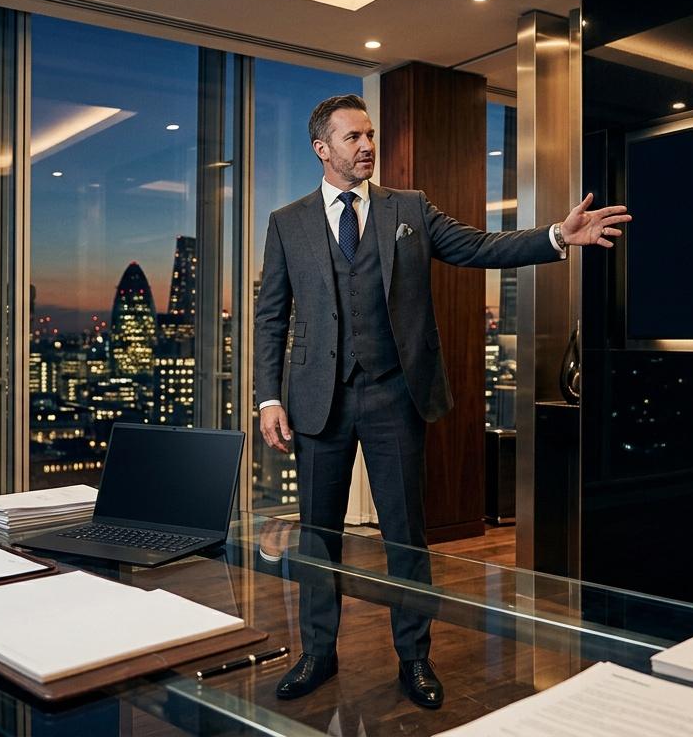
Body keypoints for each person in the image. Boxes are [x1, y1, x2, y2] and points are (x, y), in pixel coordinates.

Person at [253, 94, 627, 709]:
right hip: (318, 401)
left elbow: (479, 247)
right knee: (318, 537)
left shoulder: (409, 209)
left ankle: (415, 658)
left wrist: (559, 236)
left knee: (406, 536)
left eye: (370, 134)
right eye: (353, 138)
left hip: (395, 396)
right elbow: (271, 319)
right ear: (322, 149)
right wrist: (269, 397)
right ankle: (318, 653)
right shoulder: (287, 222)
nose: (367, 146)